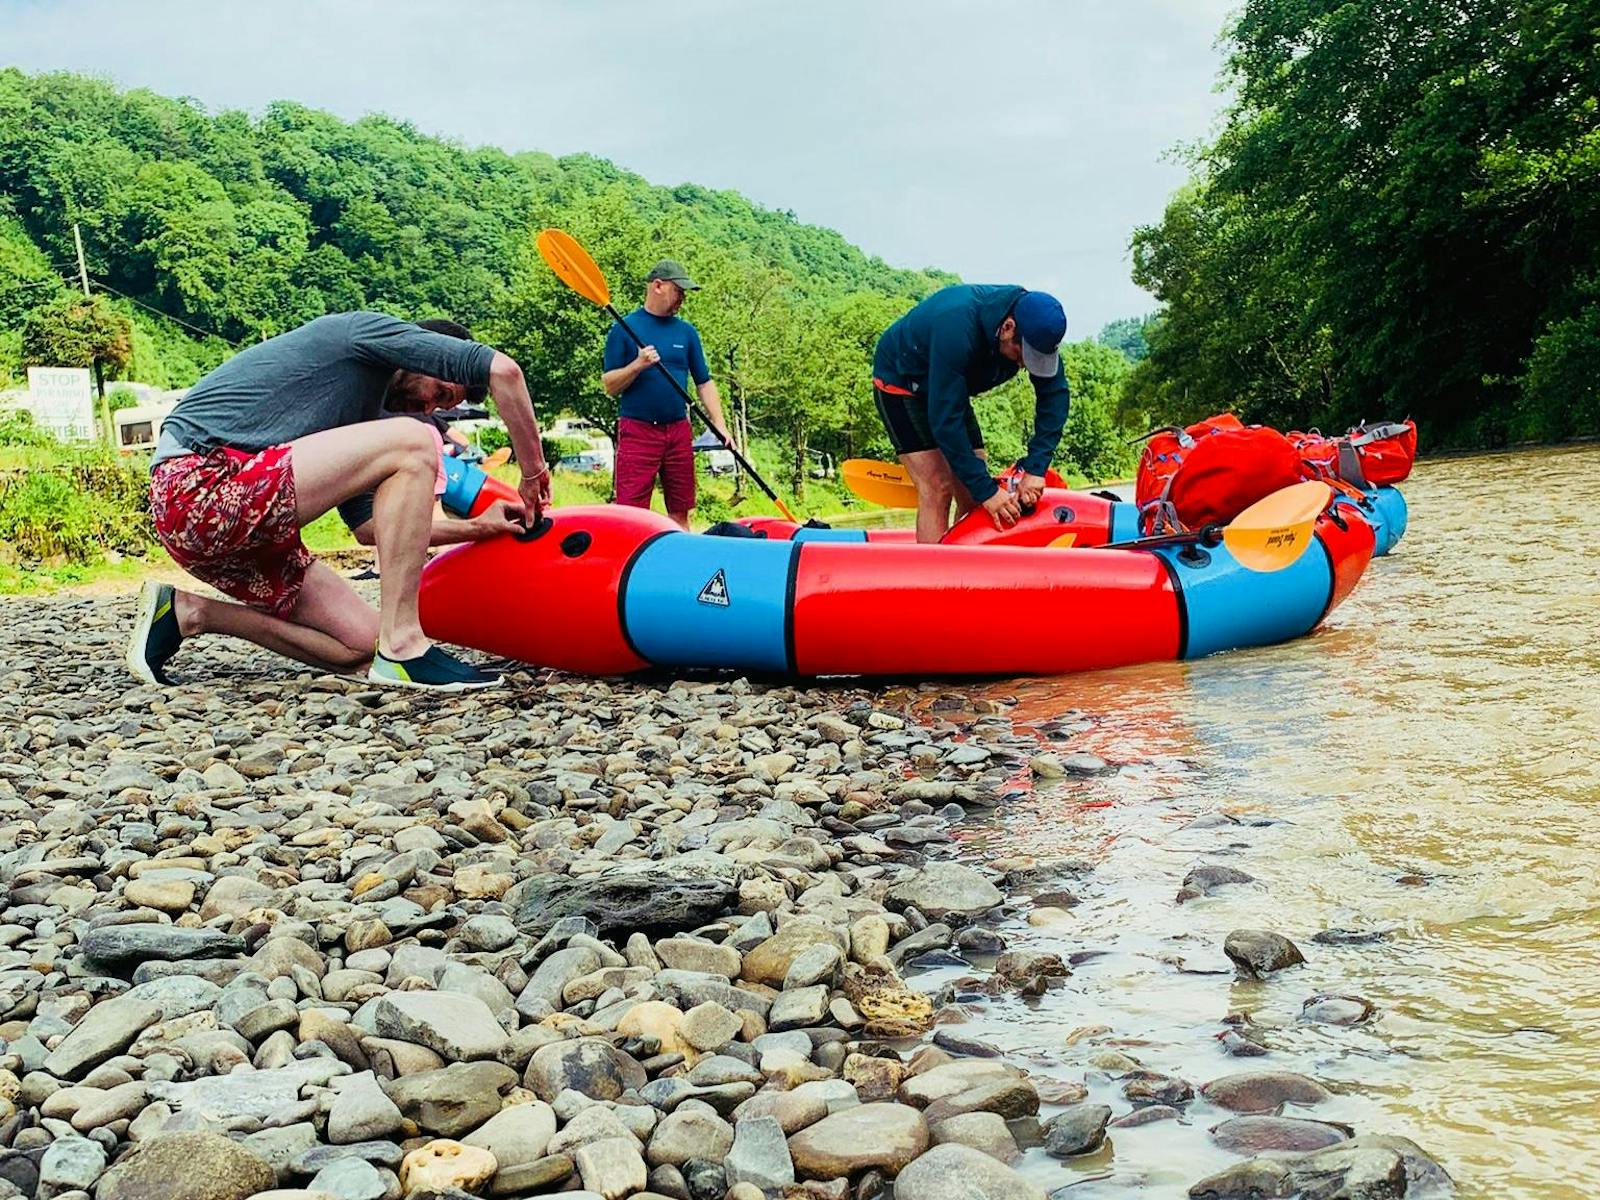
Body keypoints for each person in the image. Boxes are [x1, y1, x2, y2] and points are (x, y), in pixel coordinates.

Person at [124, 312, 549, 692]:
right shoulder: (363, 334)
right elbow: (505, 371)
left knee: (363, 644)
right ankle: (405, 645)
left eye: (441, 405)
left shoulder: (369, 422)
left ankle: (188, 613)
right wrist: (532, 475)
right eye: (437, 391)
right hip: (197, 487)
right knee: (419, 441)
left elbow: (373, 530)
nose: (428, 406)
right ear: (422, 355)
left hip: (240, 529)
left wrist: (480, 527)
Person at [872, 284, 1070, 543]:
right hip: (901, 382)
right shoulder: (956, 325)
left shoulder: (1037, 328)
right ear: (1008, 327)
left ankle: (965, 569)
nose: (1024, 364)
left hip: (950, 387)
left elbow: (1054, 397)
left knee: (972, 493)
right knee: (938, 488)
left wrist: (1037, 467)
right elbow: (946, 421)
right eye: (1022, 355)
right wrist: (989, 492)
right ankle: (933, 579)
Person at [601, 259, 732, 530]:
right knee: (632, 513)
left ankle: (682, 565)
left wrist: (719, 424)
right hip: (637, 431)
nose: (682, 298)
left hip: (678, 431)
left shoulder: (687, 332)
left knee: (681, 509)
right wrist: (637, 365)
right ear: (658, 286)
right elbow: (610, 386)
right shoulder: (624, 329)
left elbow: (704, 382)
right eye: (679, 291)